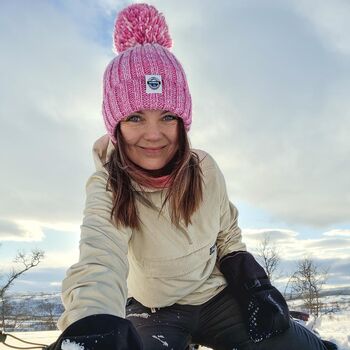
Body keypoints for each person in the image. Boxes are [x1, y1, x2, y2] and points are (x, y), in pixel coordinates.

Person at [49, 3, 330, 350]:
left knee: (296, 345)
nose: (153, 135)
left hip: (215, 298)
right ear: (115, 125)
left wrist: (249, 277)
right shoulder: (108, 186)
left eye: (167, 116)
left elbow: (226, 229)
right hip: (154, 310)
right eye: (135, 117)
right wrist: (92, 323)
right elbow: (99, 259)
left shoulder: (205, 169)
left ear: (183, 122)